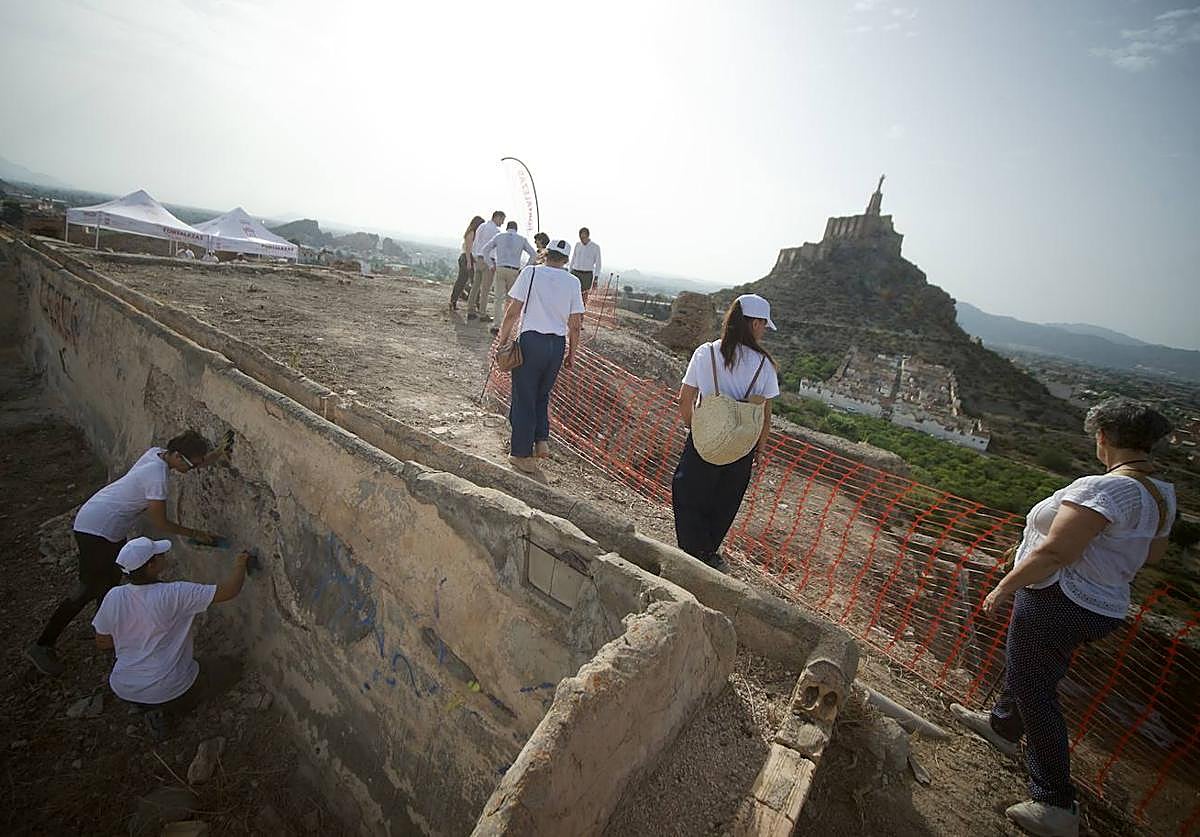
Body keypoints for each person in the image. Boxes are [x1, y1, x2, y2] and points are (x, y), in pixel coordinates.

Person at [953, 398, 1176, 837]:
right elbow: (1150, 554)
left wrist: (1004, 586)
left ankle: (1055, 801)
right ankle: (1001, 726)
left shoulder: (1103, 489)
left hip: (1060, 597)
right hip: (1104, 603)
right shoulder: (1161, 494)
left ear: (1103, 438)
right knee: (1033, 673)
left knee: (1036, 689)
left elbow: (1056, 551)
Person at [24, 430, 230, 677]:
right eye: (191, 464)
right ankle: (43, 644)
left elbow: (187, 464)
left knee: (110, 583)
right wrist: (197, 534)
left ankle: (111, 636)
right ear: (176, 455)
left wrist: (217, 454)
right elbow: (161, 523)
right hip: (96, 530)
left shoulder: (156, 453)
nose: (191, 469)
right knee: (88, 587)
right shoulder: (157, 477)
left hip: (105, 525)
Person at [93, 537, 252, 739]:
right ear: (151, 566)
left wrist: (137, 637)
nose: (164, 556)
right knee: (231, 668)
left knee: (183, 672)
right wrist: (240, 564)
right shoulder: (174, 593)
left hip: (124, 687)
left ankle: (146, 707)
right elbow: (230, 591)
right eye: (160, 555)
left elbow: (103, 642)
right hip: (171, 688)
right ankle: (168, 708)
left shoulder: (114, 596)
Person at [672, 294, 780, 571]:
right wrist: (760, 447)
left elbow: (685, 398)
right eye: (764, 324)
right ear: (754, 323)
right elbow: (764, 414)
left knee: (688, 491)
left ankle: (690, 549)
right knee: (725, 499)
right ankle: (707, 551)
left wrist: (694, 429)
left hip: (706, 436)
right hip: (742, 441)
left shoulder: (705, 353)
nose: (764, 329)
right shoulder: (764, 365)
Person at [494, 238, 584, 478]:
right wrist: (572, 354)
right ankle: (541, 440)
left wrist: (502, 341)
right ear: (566, 259)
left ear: (546, 253)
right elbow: (575, 325)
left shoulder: (531, 273)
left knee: (524, 396)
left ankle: (520, 454)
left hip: (531, 341)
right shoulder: (573, 282)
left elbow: (513, 310)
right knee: (542, 395)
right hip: (556, 345)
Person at [481, 221, 537, 332]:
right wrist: (526, 268)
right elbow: (533, 254)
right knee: (511, 299)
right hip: (514, 270)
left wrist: (491, 265)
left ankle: (496, 325)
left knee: (498, 298)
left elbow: (485, 250)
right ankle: (507, 325)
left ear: (507, 228)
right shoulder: (522, 239)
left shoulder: (499, 236)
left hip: (500, 268)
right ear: (516, 228)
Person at [469, 210, 505, 322]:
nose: (502, 223)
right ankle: (482, 313)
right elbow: (496, 249)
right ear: (497, 217)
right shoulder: (496, 231)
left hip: (478, 258)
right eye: (502, 220)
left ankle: (470, 310)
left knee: (475, 286)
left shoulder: (481, 227)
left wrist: (475, 257)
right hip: (489, 260)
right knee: (485, 289)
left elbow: (475, 243)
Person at [450, 215, 484, 311]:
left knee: (464, 281)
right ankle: (476, 304)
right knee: (471, 282)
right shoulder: (471, 233)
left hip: (468, 258)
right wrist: (469, 262)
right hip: (466, 258)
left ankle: (454, 301)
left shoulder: (473, 233)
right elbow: (468, 248)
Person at [568, 227, 602, 306]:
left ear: (588, 236)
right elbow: (573, 258)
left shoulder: (595, 247)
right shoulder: (577, 245)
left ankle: (580, 316)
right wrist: (569, 272)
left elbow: (598, 264)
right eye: (580, 237)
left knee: (583, 297)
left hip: (587, 275)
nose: (582, 239)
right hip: (575, 272)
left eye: (583, 237)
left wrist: (596, 279)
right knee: (572, 294)